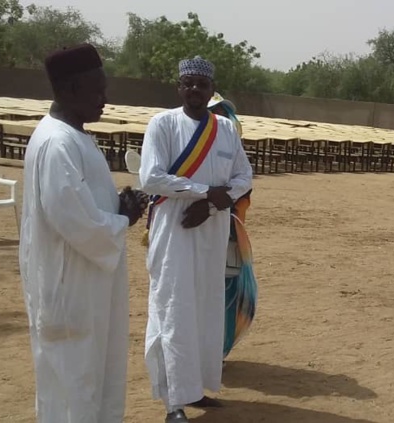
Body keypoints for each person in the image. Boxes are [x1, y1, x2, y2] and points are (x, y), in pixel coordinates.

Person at [18, 43, 148, 423]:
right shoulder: (58, 142)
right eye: (98, 90)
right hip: (71, 289)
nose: (105, 100)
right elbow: (73, 219)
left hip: (86, 284)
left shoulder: (73, 136)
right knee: (74, 387)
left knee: (90, 380)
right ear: (72, 88)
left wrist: (120, 204)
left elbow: (85, 203)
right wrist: (123, 218)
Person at [139, 56, 253, 423]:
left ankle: (197, 389)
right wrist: (204, 193)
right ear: (179, 87)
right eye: (188, 84)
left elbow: (243, 176)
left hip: (212, 228)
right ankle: (173, 401)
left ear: (210, 89)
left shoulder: (226, 128)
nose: (194, 91)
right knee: (173, 308)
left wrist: (213, 204)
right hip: (175, 229)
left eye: (201, 85)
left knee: (205, 308)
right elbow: (151, 178)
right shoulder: (163, 124)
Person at [207, 92, 258, 360]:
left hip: (228, 232)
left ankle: (217, 349)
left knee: (224, 291)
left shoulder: (234, 155)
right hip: (204, 231)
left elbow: (243, 189)